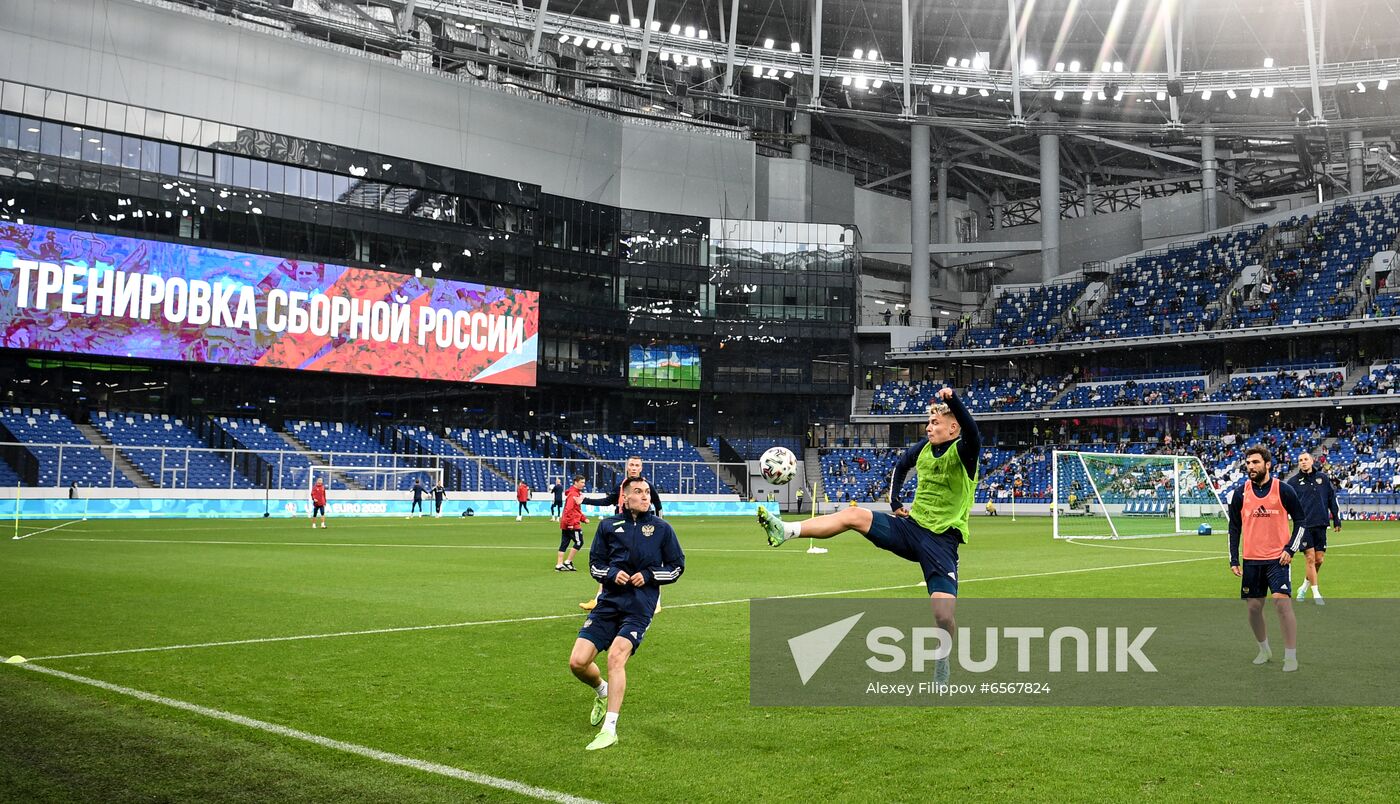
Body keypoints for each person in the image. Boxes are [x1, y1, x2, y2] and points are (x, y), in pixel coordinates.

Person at [756, 387, 979, 685]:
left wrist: (952, 400)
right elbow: (901, 465)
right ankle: (787, 530)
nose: (929, 427)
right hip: (910, 528)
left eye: (935, 423)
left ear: (954, 427)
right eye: (929, 423)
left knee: (942, 615)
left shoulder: (965, 452)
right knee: (854, 515)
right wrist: (896, 502)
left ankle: (943, 656)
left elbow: (974, 433)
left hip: (941, 541)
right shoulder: (923, 449)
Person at [567, 477, 684, 750]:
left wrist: (649, 575)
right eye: (638, 492)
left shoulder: (662, 529)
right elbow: (595, 564)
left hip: (640, 606)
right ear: (625, 496)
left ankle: (610, 729)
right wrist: (610, 574)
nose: (645, 497)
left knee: (616, 657)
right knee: (577, 662)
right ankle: (601, 690)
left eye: (647, 492)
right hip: (608, 603)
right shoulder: (608, 526)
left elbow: (677, 567)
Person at [1228, 445, 1307, 672]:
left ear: (1268, 464)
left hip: (1278, 559)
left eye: (1255, 462)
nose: (1250, 466)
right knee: (1253, 608)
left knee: (1282, 603)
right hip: (1251, 560)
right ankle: (1264, 649)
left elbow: (1301, 521)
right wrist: (1234, 559)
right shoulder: (1240, 493)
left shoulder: (1283, 489)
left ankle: (1290, 656)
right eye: (1248, 463)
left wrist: (1290, 549)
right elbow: (1234, 528)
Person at [579, 456, 665, 611]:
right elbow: (607, 501)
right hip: (621, 529)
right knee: (611, 563)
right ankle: (599, 598)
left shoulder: (647, 486)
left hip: (644, 529)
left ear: (641, 468)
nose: (633, 467)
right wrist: (585, 500)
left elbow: (658, 506)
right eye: (631, 465)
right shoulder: (621, 486)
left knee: (650, 563)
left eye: (637, 465)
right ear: (627, 467)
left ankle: (656, 600)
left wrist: (660, 527)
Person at [1288, 451, 1340, 605]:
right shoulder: (1293, 483)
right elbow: (1286, 502)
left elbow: (1332, 499)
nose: (1303, 462)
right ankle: (1316, 594)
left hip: (1321, 524)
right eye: (1300, 460)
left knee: (1319, 560)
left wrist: (1336, 519)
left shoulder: (1323, 479)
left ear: (1312, 461)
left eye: (1305, 459)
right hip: (1303, 526)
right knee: (1310, 558)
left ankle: (1304, 587)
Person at [556, 474, 588, 572]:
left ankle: (559, 564)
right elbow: (569, 510)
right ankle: (568, 562)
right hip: (572, 524)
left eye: (584, 482)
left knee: (564, 543)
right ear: (576, 482)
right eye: (582, 482)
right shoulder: (574, 494)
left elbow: (575, 509)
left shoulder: (573, 493)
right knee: (579, 542)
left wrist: (583, 518)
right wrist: (570, 523)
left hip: (566, 523)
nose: (584, 484)